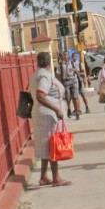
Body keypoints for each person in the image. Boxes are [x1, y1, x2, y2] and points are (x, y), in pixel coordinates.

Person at [29, 52, 72, 187]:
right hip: (47, 115)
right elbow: (41, 95)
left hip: (41, 114)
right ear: (49, 63)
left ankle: (43, 176)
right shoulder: (45, 76)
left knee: (46, 146)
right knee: (52, 145)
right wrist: (57, 109)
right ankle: (56, 178)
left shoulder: (36, 74)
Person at [56, 51, 80, 120]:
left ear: (68, 56)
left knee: (75, 97)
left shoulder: (72, 63)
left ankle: (77, 112)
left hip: (73, 80)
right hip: (66, 82)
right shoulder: (60, 65)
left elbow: (78, 71)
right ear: (63, 56)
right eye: (64, 55)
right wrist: (60, 83)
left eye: (66, 55)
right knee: (68, 98)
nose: (65, 56)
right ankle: (69, 109)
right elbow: (58, 75)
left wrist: (74, 70)